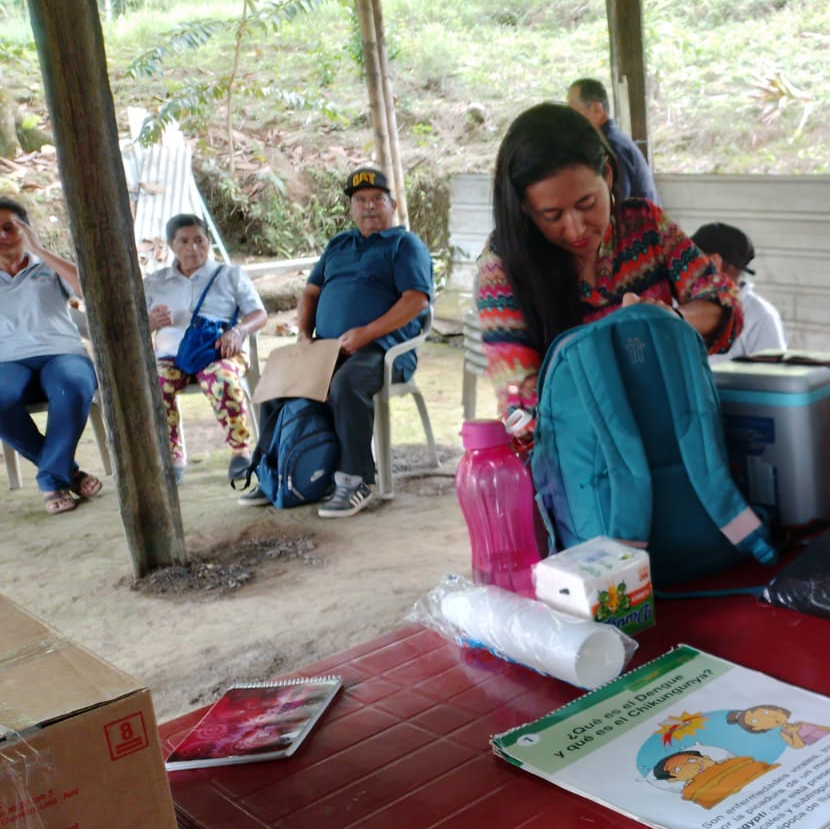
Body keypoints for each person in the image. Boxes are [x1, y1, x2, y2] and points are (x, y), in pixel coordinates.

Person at [476, 103, 742, 419]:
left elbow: (724, 303)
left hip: (671, 433)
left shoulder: (645, 227)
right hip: (576, 446)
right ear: (524, 208)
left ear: (608, 174)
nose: (576, 228)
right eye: (552, 216)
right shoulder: (504, 266)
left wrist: (667, 319)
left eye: (587, 203)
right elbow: (521, 402)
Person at [240, 167, 431, 518]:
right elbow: (311, 292)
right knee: (277, 383)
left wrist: (367, 333)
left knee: (347, 383)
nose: (369, 206)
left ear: (392, 205)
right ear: (351, 208)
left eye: (377, 199)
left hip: (384, 349)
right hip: (328, 348)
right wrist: (303, 334)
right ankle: (275, 473)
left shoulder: (405, 245)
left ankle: (355, 479)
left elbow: (416, 300)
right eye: (360, 200)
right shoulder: (339, 244)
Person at [143, 214, 266, 484]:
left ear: (208, 241)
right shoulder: (155, 282)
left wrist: (238, 331)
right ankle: (173, 455)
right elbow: (133, 327)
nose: (193, 248)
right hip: (170, 356)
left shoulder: (230, 275)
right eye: (184, 241)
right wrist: (149, 322)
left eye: (199, 240)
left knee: (221, 378)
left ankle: (241, 451)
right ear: (171, 245)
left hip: (219, 351)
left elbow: (259, 314)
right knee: (154, 384)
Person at [0, 197, 102, 514]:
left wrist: (40, 250)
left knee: (74, 385)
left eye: (9, 227)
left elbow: (90, 289)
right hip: (7, 361)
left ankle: (50, 481)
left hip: (62, 353)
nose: (3, 236)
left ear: (26, 229)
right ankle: (68, 472)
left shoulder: (49, 267)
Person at [692, 222, 787, 359]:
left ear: (714, 261)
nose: (685, 266)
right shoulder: (685, 305)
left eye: (692, 258)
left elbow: (771, 371)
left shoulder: (759, 316)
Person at [567, 78, 659, 205]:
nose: (570, 119)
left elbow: (617, 203)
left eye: (573, 112)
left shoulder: (612, 146)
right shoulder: (612, 139)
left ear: (597, 110)